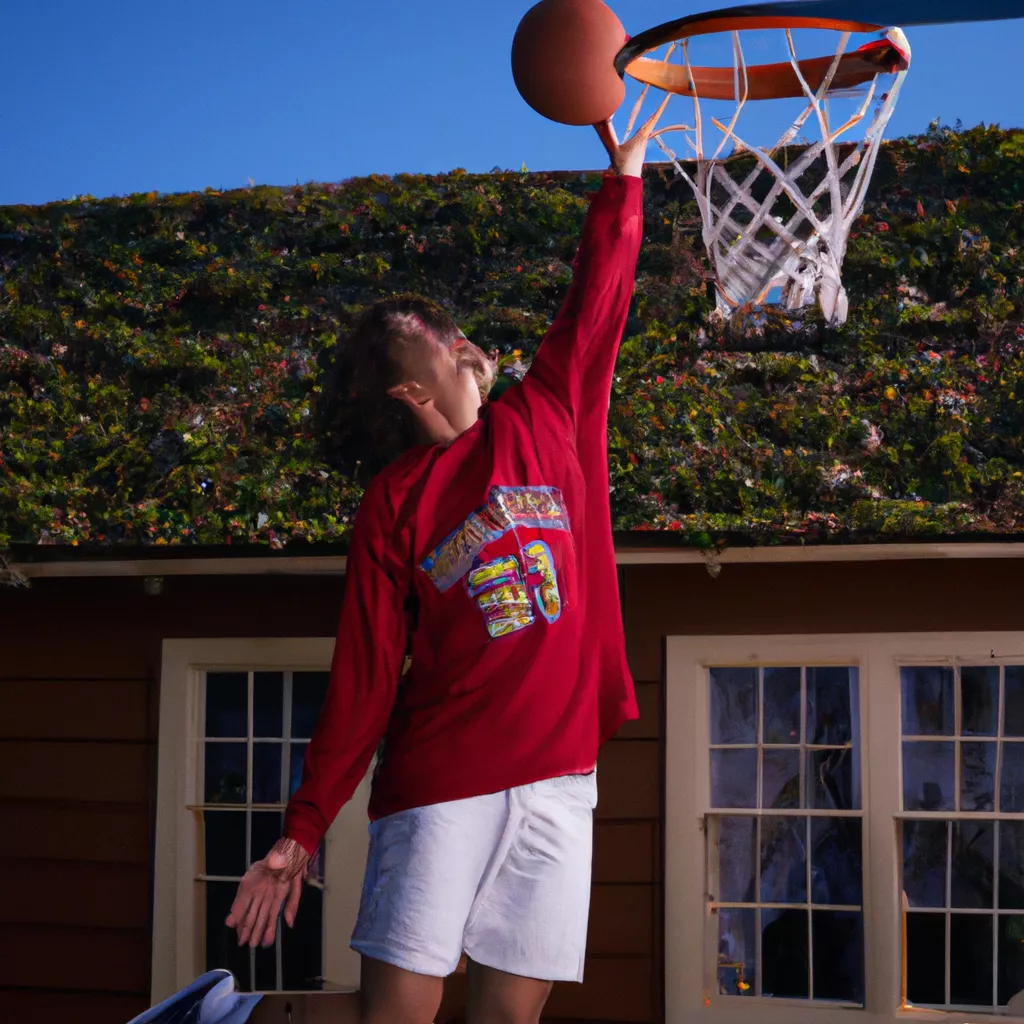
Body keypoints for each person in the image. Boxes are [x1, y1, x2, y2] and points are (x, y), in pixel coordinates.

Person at [226, 106, 661, 1024]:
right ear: (410, 391)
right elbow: (366, 680)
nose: (463, 339)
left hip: (557, 778)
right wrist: (301, 830)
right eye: (436, 339)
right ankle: (232, 1017)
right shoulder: (395, 503)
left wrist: (623, 183)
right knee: (398, 1019)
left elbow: (596, 305)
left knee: (507, 1018)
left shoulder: (547, 413)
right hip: (441, 778)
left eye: (456, 329)